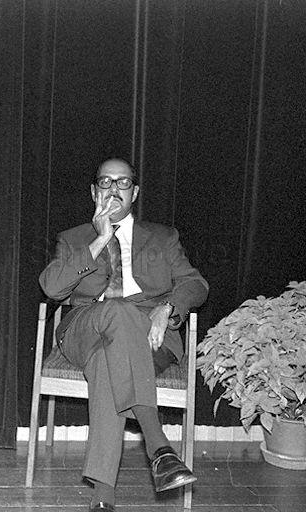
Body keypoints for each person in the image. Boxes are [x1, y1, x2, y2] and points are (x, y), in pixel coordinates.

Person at [38, 158, 208, 512]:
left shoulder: (163, 237)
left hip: (152, 335)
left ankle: (103, 497)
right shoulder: (73, 239)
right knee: (118, 310)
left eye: (123, 183)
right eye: (106, 182)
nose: (114, 189)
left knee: (106, 363)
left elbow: (195, 284)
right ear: (93, 191)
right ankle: (158, 445)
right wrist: (100, 239)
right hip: (85, 327)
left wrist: (167, 310)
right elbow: (52, 288)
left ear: (135, 192)